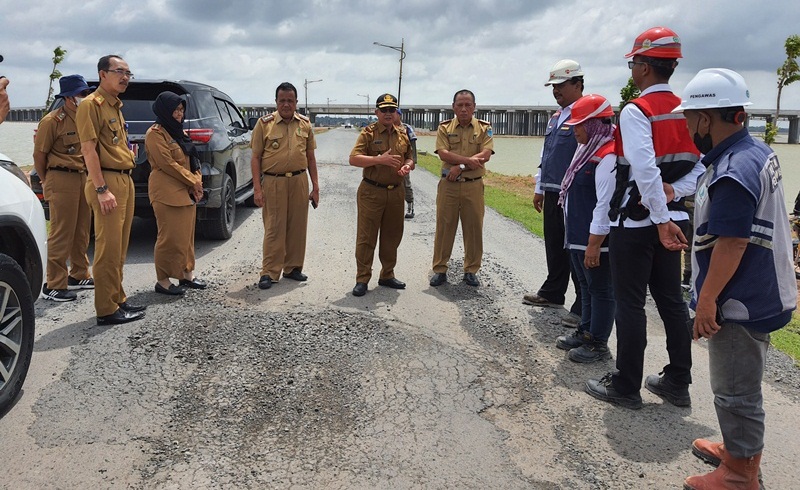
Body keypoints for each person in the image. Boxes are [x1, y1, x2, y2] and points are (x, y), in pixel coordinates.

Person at [674, 68, 796, 490]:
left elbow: (733, 243)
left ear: (706, 120)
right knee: (740, 381)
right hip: (761, 289)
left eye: (690, 119)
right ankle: (737, 448)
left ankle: (741, 474)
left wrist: (706, 302)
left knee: (735, 388)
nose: (689, 128)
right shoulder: (753, 152)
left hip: (740, 299)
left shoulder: (732, 170)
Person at [585, 27, 703, 409]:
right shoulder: (686, 111)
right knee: (670, 301)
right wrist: (674, 195)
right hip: (674, 221)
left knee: (631, 302)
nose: (632, 68)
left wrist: (657, 214)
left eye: (634, 61)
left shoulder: (638, 110)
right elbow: (702, 169)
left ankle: (626, 385)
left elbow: (644, 168)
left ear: (646, 67)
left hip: (638, 224)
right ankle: (678, 382)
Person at [76, 54, 145, 325]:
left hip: (124, 180)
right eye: (119, 71)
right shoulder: (90, 105)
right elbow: (88, 149)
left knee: (120, 247)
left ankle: (118, 298)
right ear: (102, 74)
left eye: (128, 73)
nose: (125, 77)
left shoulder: (115, 106)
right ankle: (106, 309)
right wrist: (101, 188)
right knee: (107, 248)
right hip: (106, 181)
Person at [555, 94, 616, 363]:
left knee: (601, 289)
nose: (575, 129)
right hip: (578, 235)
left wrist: (594, 244)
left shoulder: (607, 156)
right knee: (585, 285)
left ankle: (598, 343)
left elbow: (604, 204)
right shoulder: (587, 149)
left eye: (580, 124)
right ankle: (586, 331)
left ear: (594, 125)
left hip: (595, 240)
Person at [523, 60, 584, 327]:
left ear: (578, 84)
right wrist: (539, 188)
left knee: (575, 248)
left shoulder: (585, 114)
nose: (556, 91)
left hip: (574, 194)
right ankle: (553, 292)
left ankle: (583, 304)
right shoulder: (556, 117)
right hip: (551, 190)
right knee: (554, 243)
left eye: (560, 85)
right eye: (553, 86)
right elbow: (545, 154)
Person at [251, 82, 319, 290]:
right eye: (282, 101)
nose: (286, 104)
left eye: (290, 100)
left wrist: (315, 187)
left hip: (299, 180)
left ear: (296, 102)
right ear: (276, 102)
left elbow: (310, 158)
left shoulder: (305, 124)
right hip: (273, 181)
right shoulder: (265, 124)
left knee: (298, 226)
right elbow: (255, 158)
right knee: (274, 227)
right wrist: (257, 188)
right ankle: (269, 272)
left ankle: (293, 268)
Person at [33, 75, 95, 302]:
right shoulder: (52, 121)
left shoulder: (84, 118)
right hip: (61, 178)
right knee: (62, 232)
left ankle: (79, 274)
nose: (84, 97)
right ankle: (54, 284)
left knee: (82, 230)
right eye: (81, 94)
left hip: (82, 177)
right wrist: (46, 179)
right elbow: (39, 155)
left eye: (86, 94)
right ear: (69, 98)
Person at [349, 93, 414, 297]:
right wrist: (379, 160)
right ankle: (362, 278)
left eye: (391, 110)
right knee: (367, 237)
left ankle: (387, 274)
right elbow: (354, 159)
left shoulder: (403, 133)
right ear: (376, 112)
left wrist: (406, 166)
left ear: (396, 112)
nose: (388, 113)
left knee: (392, 236)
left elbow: (411, 157)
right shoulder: (368, 133)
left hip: (395, 192)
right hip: (372, 191)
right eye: (384, 110)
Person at [429, 89, 493, 288]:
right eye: (460, 105)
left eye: (468, 105)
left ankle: (471, 270)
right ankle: (440, 269)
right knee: (444, 227)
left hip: (473, 186)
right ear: (453, 107)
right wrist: (467, 161)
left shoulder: (484, 128)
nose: (464, 109)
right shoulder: (445, 128)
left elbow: (486, 154)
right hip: (449, 185)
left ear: (474, 107)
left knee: (474, 228)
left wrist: (460, 167)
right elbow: (442, 153)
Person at [145, 91, 205, 296]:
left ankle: (186, 274)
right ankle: (162, 280)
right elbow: (167, 164)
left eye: (181, 110)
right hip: (166, 191)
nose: (179, 114)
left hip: (186, 191)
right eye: (175, 110)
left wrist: (198, 181)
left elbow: (193, 159)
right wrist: (193, 181)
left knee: (186, 237)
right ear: (164, 111)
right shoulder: (155, 133)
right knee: (169, 237)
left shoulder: (179, 133)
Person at [395, 108, 417, 219]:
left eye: (395, 113)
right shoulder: (386, 127)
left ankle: (410, 206)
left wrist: (413, 161)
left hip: (404, 162)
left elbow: (413, 146)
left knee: (406, 185)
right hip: (390, 162)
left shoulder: (406, 128)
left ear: (399, 115)